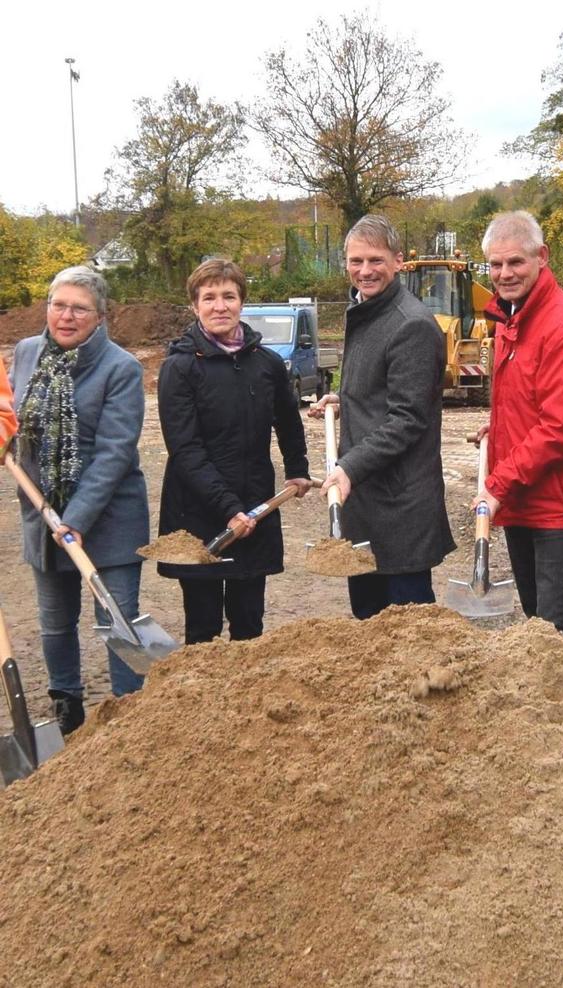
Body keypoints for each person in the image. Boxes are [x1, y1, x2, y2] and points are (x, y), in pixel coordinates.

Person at [11, 266, 149, 735]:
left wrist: (78, 518)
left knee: (118, 618)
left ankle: (127, 714)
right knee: (54, 623)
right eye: (58, 305)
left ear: (100, 316)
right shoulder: (27, 353)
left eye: (79, 308)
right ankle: (67, 703)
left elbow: (114, 452)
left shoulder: (121, 367)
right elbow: (14, 420)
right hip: (43, 511)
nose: (65, 316)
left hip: (109, 516)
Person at [471, 211, 563, 643]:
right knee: (534, 623)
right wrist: (500, 430)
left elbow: (559, 429)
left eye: (515, 262)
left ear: (542, 257)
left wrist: (497, 485)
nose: (504, 274)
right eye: (496, 265)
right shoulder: (514, 318)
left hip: (560, 504)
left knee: (552, 630)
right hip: (524, 496)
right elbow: (530, 404)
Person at [157, 259, 311, 644]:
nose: (220, 305)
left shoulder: (267, 364)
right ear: (195, 306)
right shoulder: (178, 369)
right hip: (198, 510)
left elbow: (289, 422)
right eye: (209, 297)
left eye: (229, 296)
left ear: (242, 301)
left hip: (254, 504)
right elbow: (185, 449)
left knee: (249, 624)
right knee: (203, 625)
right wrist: (228, 509)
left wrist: (297, 468)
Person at [313, 215, 454, 618]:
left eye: (375, 260)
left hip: (400, 505)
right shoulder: (366, 311)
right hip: (368, 500)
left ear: (398, 261)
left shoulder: (411, 324)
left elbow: (409, 417)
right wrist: (348, 398)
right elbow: (385, 386)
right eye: (355, 261)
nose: (365, 270)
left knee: (407, 630)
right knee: (368, 625)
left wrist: (349, 468)